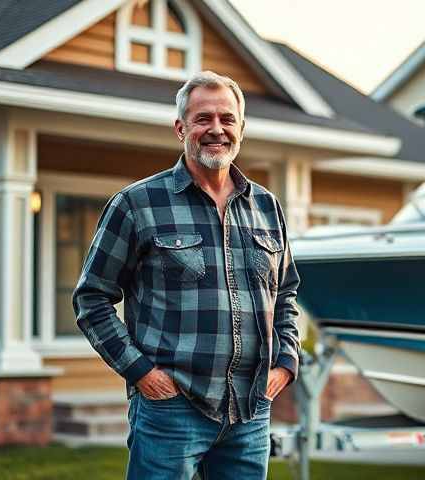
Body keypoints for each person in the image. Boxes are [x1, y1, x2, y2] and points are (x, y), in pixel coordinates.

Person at [73, 70, 300, 479]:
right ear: (181, 128)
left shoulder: (267, 208)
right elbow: (91, 297)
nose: (217, 129)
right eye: (203, 119)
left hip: (250, 411)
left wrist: (284, 361)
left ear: (241, 129)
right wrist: (141, 372)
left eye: (227, 119)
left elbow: (285, 294)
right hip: (171, 409)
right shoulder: (136, 204)